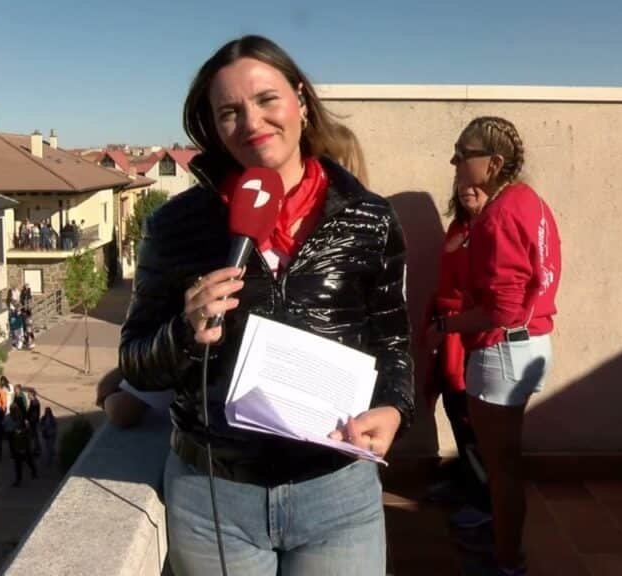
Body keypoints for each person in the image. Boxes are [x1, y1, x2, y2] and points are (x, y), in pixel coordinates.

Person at [118, 35, 413, 575]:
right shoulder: (175, 226)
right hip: (214, 501)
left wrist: (395, 408)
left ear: (301, 100)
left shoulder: (369, 219)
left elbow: (394, 343)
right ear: (213, 126)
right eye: (229, 111)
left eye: (266, 99)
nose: (251, 121)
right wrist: (183, 332)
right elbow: (135, 359)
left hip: (337, 494)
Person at [436, 116, 562, 576]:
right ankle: (503, 545)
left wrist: (449, 324)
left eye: (461, 153)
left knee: (502, 467)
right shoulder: (530, 202)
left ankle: (507, 562)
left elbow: (503, 309)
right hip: (529, 344)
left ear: (494, 163)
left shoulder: (502, 214)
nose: (454, 162)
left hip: (504, 349)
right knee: (503, 463)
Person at [422, 181, 491, 521]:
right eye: (462, 182)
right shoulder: (458, 227)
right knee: (455, 409)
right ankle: (466, 481)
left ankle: (482, 501)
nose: (467, 188)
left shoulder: (492, 228)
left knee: (473, 418)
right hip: (449, 335)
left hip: (476, 337)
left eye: (476, 183)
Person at [7, 410, 37, 487]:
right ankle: (18, 480)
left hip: (24, 449)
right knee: (18, 466)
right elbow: (14, 437)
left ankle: (34, 472)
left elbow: (27, 439)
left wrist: (24, 448)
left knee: (29, 462)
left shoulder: (25, 429)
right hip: (17, 449)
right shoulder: (16, 428)